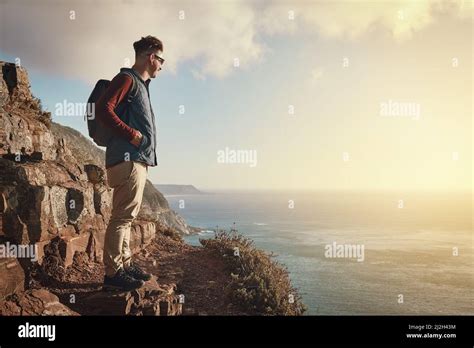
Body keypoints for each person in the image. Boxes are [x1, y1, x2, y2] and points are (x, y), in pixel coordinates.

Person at [96, 35, 164, 290]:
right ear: (151, 57)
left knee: (127, 216)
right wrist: (133, 135)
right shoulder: (127, 79)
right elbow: (104, 109)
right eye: (161, 60)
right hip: (128, 159)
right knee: (122, 218)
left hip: (135, 159)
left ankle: (124, 264)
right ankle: (113, 274)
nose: (161, 65)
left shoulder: (139, 85)